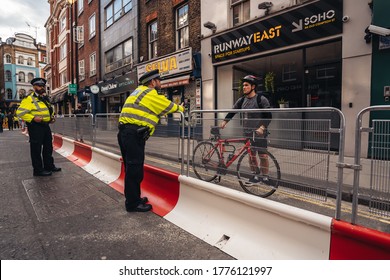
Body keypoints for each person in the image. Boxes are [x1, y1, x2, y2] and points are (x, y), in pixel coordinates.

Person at [118, 69, 184, 212]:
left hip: (125, 133)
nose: (160, 83)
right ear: (153, 82)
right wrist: (182, 108)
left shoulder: (138, 91)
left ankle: (134, 198)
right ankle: (132, 204)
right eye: (159, 80)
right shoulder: (150, 94)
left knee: (131, 168)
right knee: (134, 169)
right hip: (133, 135)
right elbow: (170, 107)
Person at [220, 75, 272, 184]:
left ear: (253, 87)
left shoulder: (260, 99)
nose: (244, 87)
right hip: (247, 133)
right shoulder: (242, 100)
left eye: (246, 85)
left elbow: (268, 115)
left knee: (263, 156)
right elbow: (232, 111)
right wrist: (225, 121)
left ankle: (265, 177)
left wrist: (262, 127)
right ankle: (255, 176)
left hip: (260, 133)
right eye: (243, 85)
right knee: (251, 155)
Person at [16, 78, 61, 176]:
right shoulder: (29, 99)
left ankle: (49, 166)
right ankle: (38, 170)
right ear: (34, 87)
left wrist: (51, 117)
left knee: (48, 147)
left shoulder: (45, 98)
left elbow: (49, 110)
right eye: (39, 86)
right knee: (36, 149)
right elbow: (19, 113)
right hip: (35, 127)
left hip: (45, 126)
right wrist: (32, 118)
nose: (42, 88)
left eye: (43, 86)